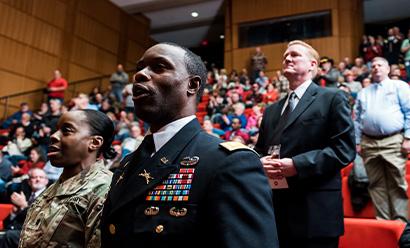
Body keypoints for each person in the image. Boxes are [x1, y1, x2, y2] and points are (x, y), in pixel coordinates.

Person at [101, 42, 278, 248]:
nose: (140, 75)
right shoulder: (127, 163)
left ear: (192, 85)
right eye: (140, 68)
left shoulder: (229, 162)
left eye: (159, 67)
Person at [255, 40, 355, 248]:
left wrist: (297, 165)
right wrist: (260, 162)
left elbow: (344, 149)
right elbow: (261, 150)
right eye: (285, 56)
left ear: (312, 65)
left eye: (294, 55)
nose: (287, 58)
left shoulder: (332, 98)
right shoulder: (272, 110)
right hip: (278, 209)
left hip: (316, 210)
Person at [18, 109, 115, 247]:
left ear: (94, 142)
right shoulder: (54, 187)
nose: (53, 136)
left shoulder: (105, 188)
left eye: (66, 130)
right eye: (56, 130)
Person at [354, 57, 410, 222]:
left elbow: (409, 112)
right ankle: (383, 223)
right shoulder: (363, 92)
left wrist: (408, 137)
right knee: (375, 184)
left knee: (397, 183)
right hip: (368, 142)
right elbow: (357, 120)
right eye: (373, 66)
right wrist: (357, 142)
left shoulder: (399, 86)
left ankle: (400, 224)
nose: (376, 68)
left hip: (393, 140)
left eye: (380, 65)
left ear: (388, 69)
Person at [0, 168, 48, 248]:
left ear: (46, 181)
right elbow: (6, 223)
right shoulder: (25, 194)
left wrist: (24, 206)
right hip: (14, 230)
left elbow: (41, 219)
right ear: (29, 182)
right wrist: (13, 213)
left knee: (9, 236)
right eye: (34, 177)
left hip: (34, 235)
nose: (38, 179)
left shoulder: (49, 197)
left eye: (41, 177)